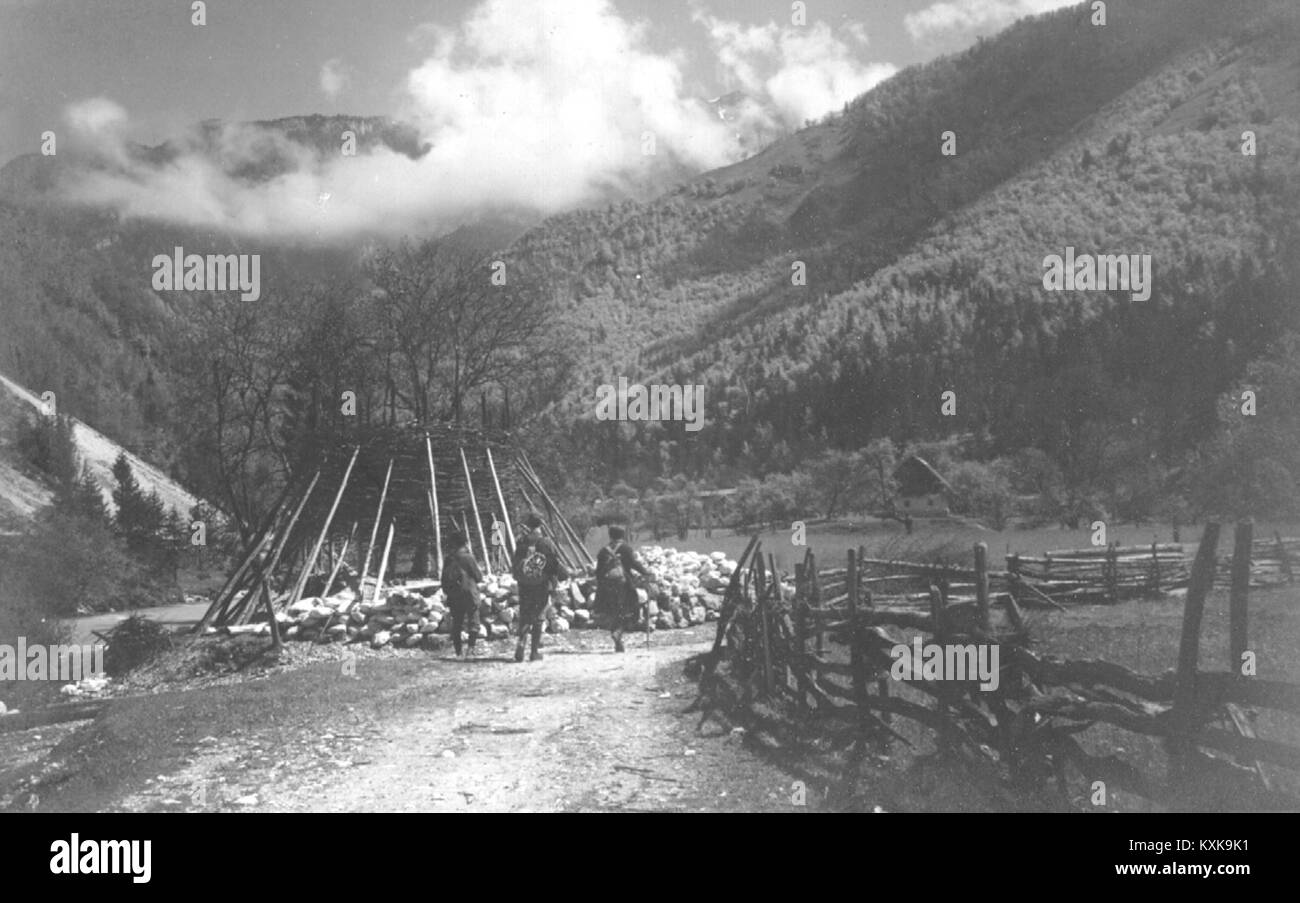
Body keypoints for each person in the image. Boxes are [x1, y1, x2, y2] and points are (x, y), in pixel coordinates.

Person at [511, 512, 568, 662]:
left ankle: (521, 643)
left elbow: (515, 565)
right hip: (541, 585)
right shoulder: (545, 542)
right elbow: (554, 563)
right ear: (541, 525)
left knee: (525, 615)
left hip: (524, 585)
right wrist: (561, 576)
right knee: (538, 617)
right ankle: (534, 652)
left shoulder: (522, 542)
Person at [594, 525, 652, 653]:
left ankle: (617, 638)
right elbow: (633, 563)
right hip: (624, 585)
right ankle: (618, 632)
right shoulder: (626, 548)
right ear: (623, 535)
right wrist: (645, 572)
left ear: (610, 535)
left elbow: (598, 572)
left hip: (607, 586)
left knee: (614, 612)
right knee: (631, 609)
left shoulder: (603, 551)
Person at [441, 530, 483, 658]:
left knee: (457, 624)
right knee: (474, 622)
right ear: (465, 543)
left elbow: (443, 579)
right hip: (469, 594)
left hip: (454, 595)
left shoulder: (449, 559)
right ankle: (471, 649)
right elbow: (478, 576)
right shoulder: (468, 557)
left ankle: (458, 652)